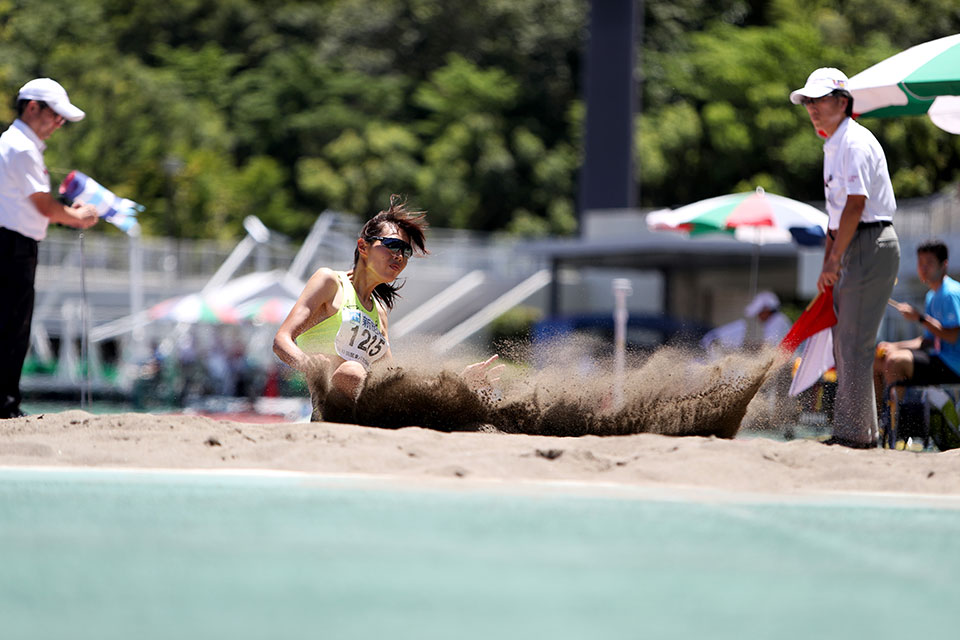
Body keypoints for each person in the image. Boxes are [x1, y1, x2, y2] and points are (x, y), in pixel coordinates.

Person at [273, 195, 502, 422]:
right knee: (349, 371)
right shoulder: (330, 282)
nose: (399, 256)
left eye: (406, 251)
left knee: (366, 376)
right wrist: (309, 366)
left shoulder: (379, 311)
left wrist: (458, 382)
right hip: (333, 411)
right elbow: (282, 340)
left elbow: (392, 378)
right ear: (363, 246)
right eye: (392, 245)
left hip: (375, 411)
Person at [790, 67, 900, 448]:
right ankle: (860, 432)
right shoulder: (834, 144)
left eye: (819, 100)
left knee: (854, 342)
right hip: (855, 243)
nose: (812, 108)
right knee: (845, 341)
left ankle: (854, 435)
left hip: (869, 242)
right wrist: (828, 262)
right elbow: (837, 218)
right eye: (808, 102)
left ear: (842, 102)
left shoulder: (852, 142)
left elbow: (856, 206)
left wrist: (834, 261)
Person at [0, 78, 99, 419]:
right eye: (54, 115)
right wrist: (76, 216)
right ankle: (5, 406)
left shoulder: (17, 145)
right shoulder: (21, 147)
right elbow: (42, 205)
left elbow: (32, 204)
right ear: (32, 107)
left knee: (12, 325)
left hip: (13, 241)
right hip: (11, 245)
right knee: (12, 326)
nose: (58, 124)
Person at [875, 241, 960, 403]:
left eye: (929, 263)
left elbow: (952, 337)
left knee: (895, 362)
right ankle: (878, 421)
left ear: (944, 265)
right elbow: (927, 341)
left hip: (953, 365)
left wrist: (919, 318)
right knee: (876, 360)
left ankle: (898, 422)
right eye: (920, 263)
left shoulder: (951, 293)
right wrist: (894, 346)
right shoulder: (931, 296)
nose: (923, 268)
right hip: (938, 359)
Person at [700, 290, 792, 355]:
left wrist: (745, 346)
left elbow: (768, 347)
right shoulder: (777, 321)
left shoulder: (777, 322)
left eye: (759, 313)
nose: (758, 318)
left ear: (766, 310)